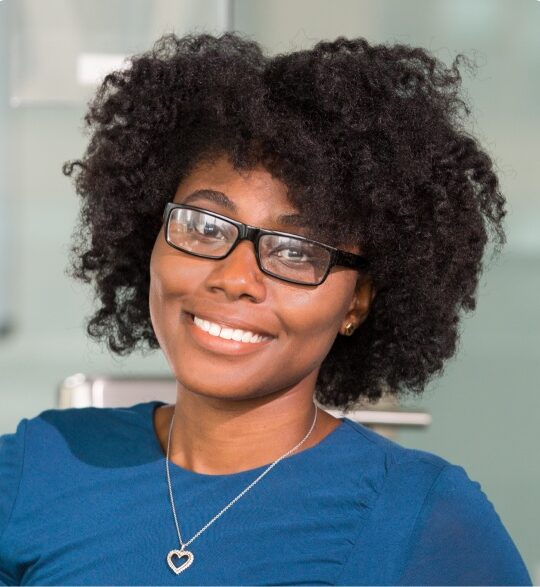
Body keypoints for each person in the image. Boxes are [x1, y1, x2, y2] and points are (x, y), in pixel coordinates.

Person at [0, 32, 532, 586]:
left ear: (357, 301)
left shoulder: (422, 518)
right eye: (205, 226)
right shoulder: (40, 466)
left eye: (296, 252)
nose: (234, 279)